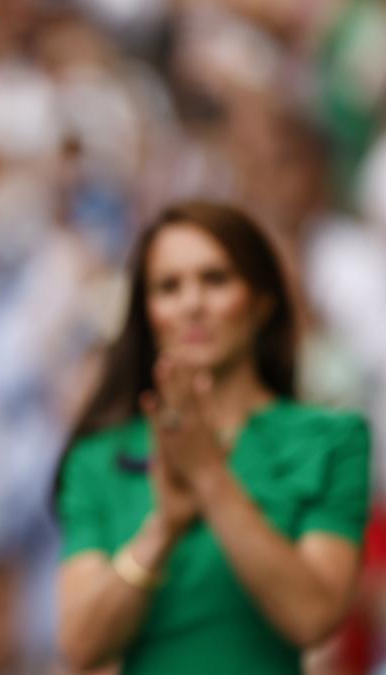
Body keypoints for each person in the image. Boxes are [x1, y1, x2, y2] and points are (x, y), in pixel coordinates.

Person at [55, 200, 370, 674]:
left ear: (262, 301)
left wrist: (209, 478)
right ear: (148, 311)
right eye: (169, 286)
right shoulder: (101, 457)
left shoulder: (331, 439)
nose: (192, 303)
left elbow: (313, 616)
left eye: (215, 279)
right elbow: (80, 644)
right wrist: (163, 530)